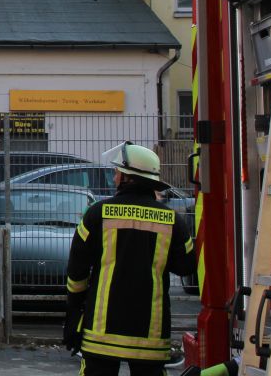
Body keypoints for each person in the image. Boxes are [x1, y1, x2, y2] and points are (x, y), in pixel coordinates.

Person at [63, 141, 196, 375]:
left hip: (100, 334)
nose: (114, 178)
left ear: (127, 177)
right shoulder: (173, 220)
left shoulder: (97, 214)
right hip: (150, 339)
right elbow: (186, 266)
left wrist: (74, 312)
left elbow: (77, 272)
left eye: (117, 173)